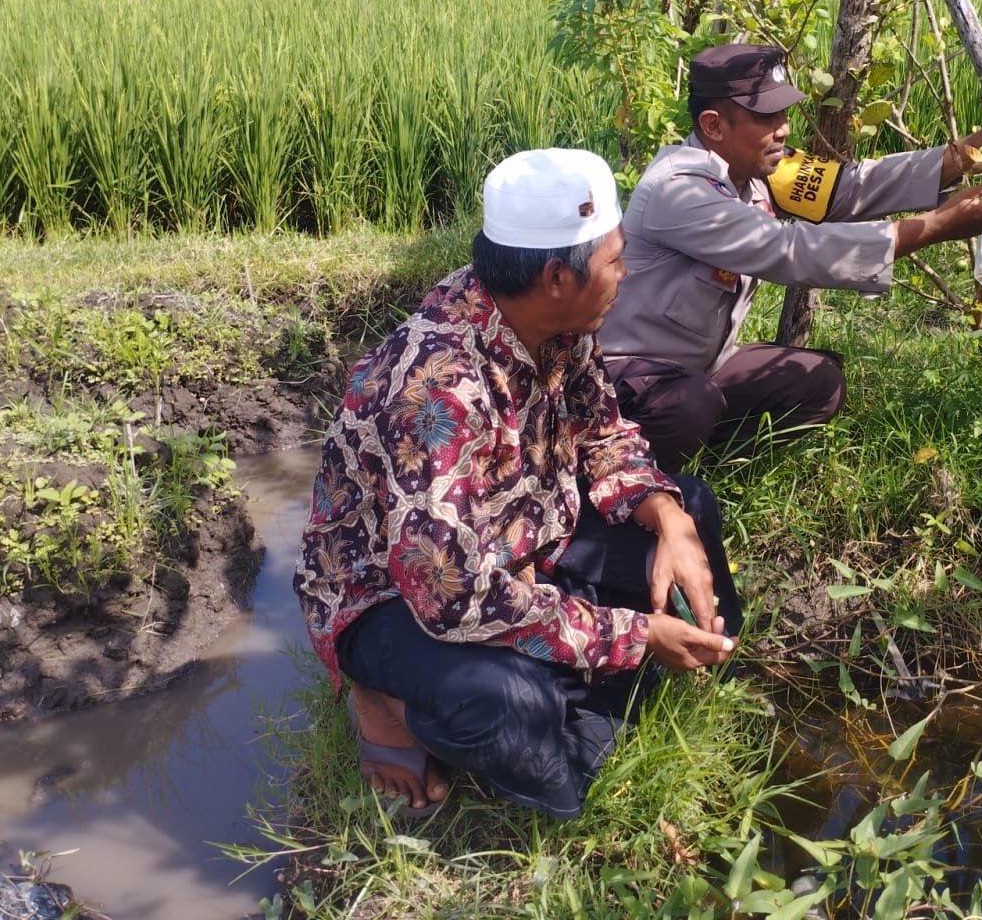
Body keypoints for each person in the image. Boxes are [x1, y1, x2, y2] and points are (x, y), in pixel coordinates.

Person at [293, 148, 741, 820]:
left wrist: (665, 515)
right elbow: (452, 601)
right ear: (558, 275)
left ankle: (631, 660)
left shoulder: (556, 321)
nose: (627, 272)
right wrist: (634, 635)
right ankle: (388, 705)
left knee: (692, 507)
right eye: (616, 261)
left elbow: (601, 433)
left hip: (520, 536)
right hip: (397, 595)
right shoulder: (436, 399)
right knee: (521, 718)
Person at [600, 42, 982, 471]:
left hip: (700, 367)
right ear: (714, 126)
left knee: (818, 383)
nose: (782, 128)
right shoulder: (678, 189)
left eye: (782, 113)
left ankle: (707, 467)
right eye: (764, 117)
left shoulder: (763, 172)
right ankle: (625, 483)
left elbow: (850, 187)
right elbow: (787, 249)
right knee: (688, 403)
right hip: (625, 377)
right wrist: (934, 228)